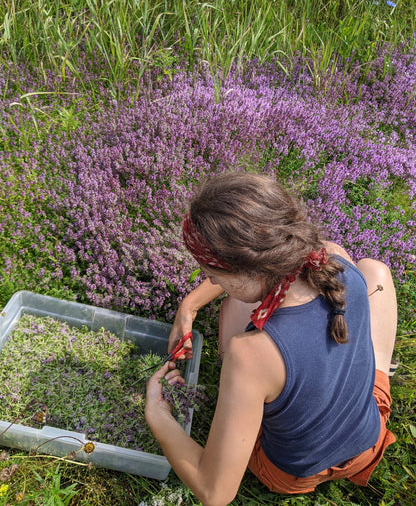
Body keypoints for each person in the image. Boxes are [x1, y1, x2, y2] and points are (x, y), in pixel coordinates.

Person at [144, 172, 397, 506]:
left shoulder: (249, 354)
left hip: (291, 473)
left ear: (246, 270)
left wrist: (158, 417)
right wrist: (188, 306)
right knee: (374, 271)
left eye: (211, 274)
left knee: (235, 307)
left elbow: (215, 493)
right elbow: (253, 274)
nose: (211, 282)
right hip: (369, 438)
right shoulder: (334, 258)